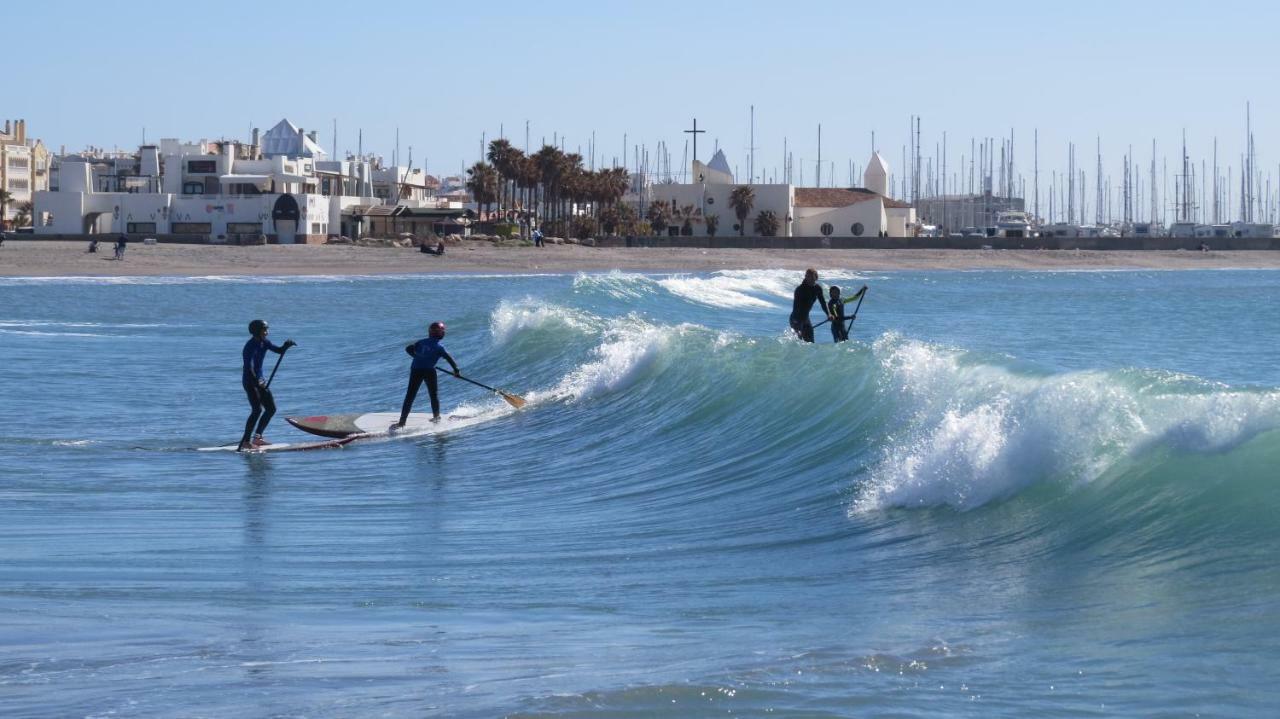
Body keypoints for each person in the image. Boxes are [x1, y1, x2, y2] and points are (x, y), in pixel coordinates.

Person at [239, 319, 295, 450]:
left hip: (260, 382)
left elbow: (278, 350)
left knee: (271, 409)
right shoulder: (250, 346)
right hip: (250, 382)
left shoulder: (264, 342)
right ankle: (246, 441)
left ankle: (257, 438)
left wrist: (286, 346)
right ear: (257, 331)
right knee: (257, 410)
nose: (267, 332)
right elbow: (249, 366)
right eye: (264, 330)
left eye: (267, 329)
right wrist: (256, 382)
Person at [397, 321, 460, 428]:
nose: (443, 333)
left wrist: (417, 357)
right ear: (439, 333)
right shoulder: (439, 347)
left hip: (416, 370)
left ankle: (402, 422)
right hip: (429, 371)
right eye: (442, 331)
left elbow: (408, 348)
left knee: (410, 396)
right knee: (433, 395)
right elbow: (449, 359)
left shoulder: (421, 342)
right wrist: (456, 371)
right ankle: (436, 418)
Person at [789, 268, 831, 343]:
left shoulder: (817, 288)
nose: (809, 279)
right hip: (796, 319)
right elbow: (796, 309)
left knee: (811, 343)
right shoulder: (800, 289)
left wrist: (828, 314)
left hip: (806, 319)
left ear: (816, 278)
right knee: (800, 343)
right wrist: (797, 326)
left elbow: (823, 303)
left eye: (811, 277)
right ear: (805, 277)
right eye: (807, 277)